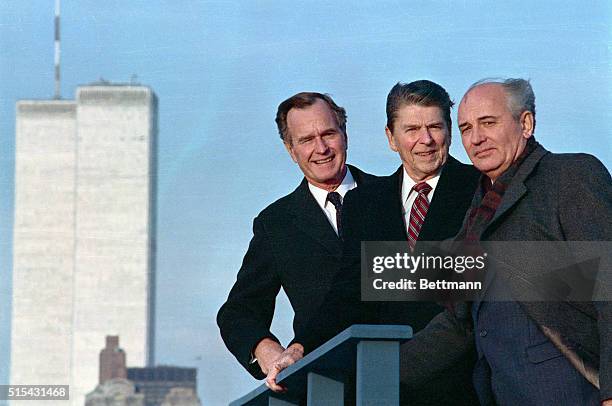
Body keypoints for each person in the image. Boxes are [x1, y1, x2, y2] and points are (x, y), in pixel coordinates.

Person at [265, 80, 481, 405]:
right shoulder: (365, 203)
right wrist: (299, 349)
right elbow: (349, 293)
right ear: (391, 138)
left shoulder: (482, 189)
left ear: (449, 131)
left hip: (465, 386)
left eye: (435, 126)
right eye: (411, 129)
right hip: (383, 388)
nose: (425, 140)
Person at [454, 78, 612, 405]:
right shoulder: (476, 213)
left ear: (525, 123)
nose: (476, 138)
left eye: (488, 123)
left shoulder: (569, 176)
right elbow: (457, 321)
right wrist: (371, 373)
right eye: (466, 128)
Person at [216, 92, 377, 379]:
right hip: (323, 382)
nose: (322, 148)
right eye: (306, 140)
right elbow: (239, 311)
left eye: (329, 133)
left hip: (404, 373)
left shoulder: (393, 196)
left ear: (345, 135)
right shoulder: (276, 224)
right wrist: (269, 352)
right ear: (291, 150)